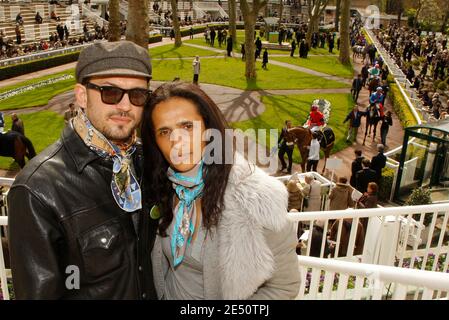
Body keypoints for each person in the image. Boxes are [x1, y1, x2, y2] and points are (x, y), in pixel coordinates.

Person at [7, 41, 157, 299]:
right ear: (81, 96)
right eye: (110, 92)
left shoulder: (148, 161)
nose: (125, 106)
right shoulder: (36, 189)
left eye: (137, 95)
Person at [142, 81, 300, 299]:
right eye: (164, 131)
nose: (176, 141)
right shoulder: (163, 186)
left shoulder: (258, 199)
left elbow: (284, 287)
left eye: (187, 126)